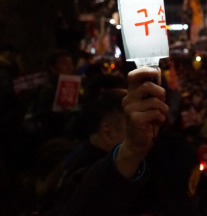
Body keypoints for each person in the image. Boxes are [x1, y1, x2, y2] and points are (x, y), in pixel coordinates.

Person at [57, 67, 169, 216]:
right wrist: (131, 150)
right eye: (131, 123)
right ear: (107, 133)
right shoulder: (81, 177)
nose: (143, 128)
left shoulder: (140, 164)